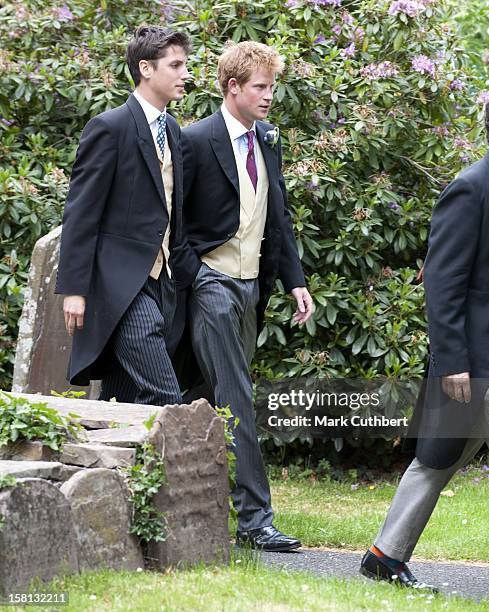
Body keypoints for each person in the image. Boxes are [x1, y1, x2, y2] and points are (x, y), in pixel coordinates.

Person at [360, 86, 489, 589]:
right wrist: (452, 363)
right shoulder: (472, 187)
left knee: (438, 457)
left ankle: (384, 554)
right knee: (439, 455)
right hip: (483, 361)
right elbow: (443, 284)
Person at [178, 41, 313, 551]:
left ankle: (182, 502)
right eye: (260, 87)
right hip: (211, 284)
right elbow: (175, 222)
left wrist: (294, 280)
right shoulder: (195, 140)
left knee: (208, 398)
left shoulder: (268, 140)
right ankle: (256, 520)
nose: (269, 96)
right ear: (232, 88)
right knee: (236, 395)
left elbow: (277, 215)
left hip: (252, 286)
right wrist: (198, 276)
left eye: (271, 87)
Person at [55, 25, 195, 406]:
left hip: (162, 282)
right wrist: (74, 290)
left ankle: (110, 465)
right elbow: (81, 213)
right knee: (168, 399)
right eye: (176, 65)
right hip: (117, 284)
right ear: (146, 68)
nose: (186, 74)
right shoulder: (109, 127)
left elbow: (173, 212)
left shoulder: (175, 133)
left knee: (123, 400)